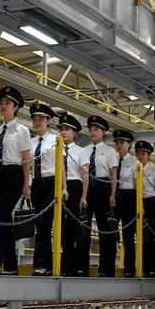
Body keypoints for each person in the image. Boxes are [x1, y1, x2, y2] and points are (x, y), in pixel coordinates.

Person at [0, 86, 31, 275]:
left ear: (16, 107)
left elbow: (26, 160)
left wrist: (26, 184)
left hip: (14, 173)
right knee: (1, 217)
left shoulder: (22, 131)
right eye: (1, 103)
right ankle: (9, 264)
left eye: (7, 103)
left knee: (2, 217)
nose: (3, 106)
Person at [84, 116, 119, 277]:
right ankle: (82, 267)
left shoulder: (110, 151)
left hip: (103, 189)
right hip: (87, 188)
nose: (92, 132)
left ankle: (106, 269)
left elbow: (113, 174)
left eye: (96, 129)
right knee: (84, 230)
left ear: (104, 132)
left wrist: (112, 194)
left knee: (105, 231)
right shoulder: (85, 150)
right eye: (91, 129)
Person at [29, 100, 58, 276]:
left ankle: (42, 264)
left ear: (48, 121)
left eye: (41, 118)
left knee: (45, 225)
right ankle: (44, 264)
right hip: (36, 184)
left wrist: (63, 188)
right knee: (39, 225)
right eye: (35, 118)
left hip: (51, 182)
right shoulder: (31, 142)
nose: (38, 121)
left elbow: (61, 165)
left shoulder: (56, 140)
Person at [58, 113, 88, 276]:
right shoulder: (56, 148)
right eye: (62, 129)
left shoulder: (81, 151)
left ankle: (73, 265)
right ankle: (61, 263)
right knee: (60, 227)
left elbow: (84, 175)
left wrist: (84, 196)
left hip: (74, 186)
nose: (64, 132)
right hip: (57, 187)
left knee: (72, 227)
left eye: (67, 129)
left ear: (75, 133)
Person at [135, 141, 155, 276]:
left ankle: (151, 267)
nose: (140, 156)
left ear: (148, 155)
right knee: (140, 236)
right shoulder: (134, 169)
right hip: (137, 202)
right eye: (138, 153)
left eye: (143, 153)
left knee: (150, 237)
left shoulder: (154, 171)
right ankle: (141, 266)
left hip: (151, 203)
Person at [113, 130, 138, 277]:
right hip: (114, 196)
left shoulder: (134, 162)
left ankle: (129, 268)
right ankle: (110, 265)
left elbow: (136, 185)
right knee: (111, 231)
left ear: (129, 144)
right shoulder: (112, 159)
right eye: (117, 142)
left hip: (129, 197)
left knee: (128, 235)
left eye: (122, 142)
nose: (119, 145)